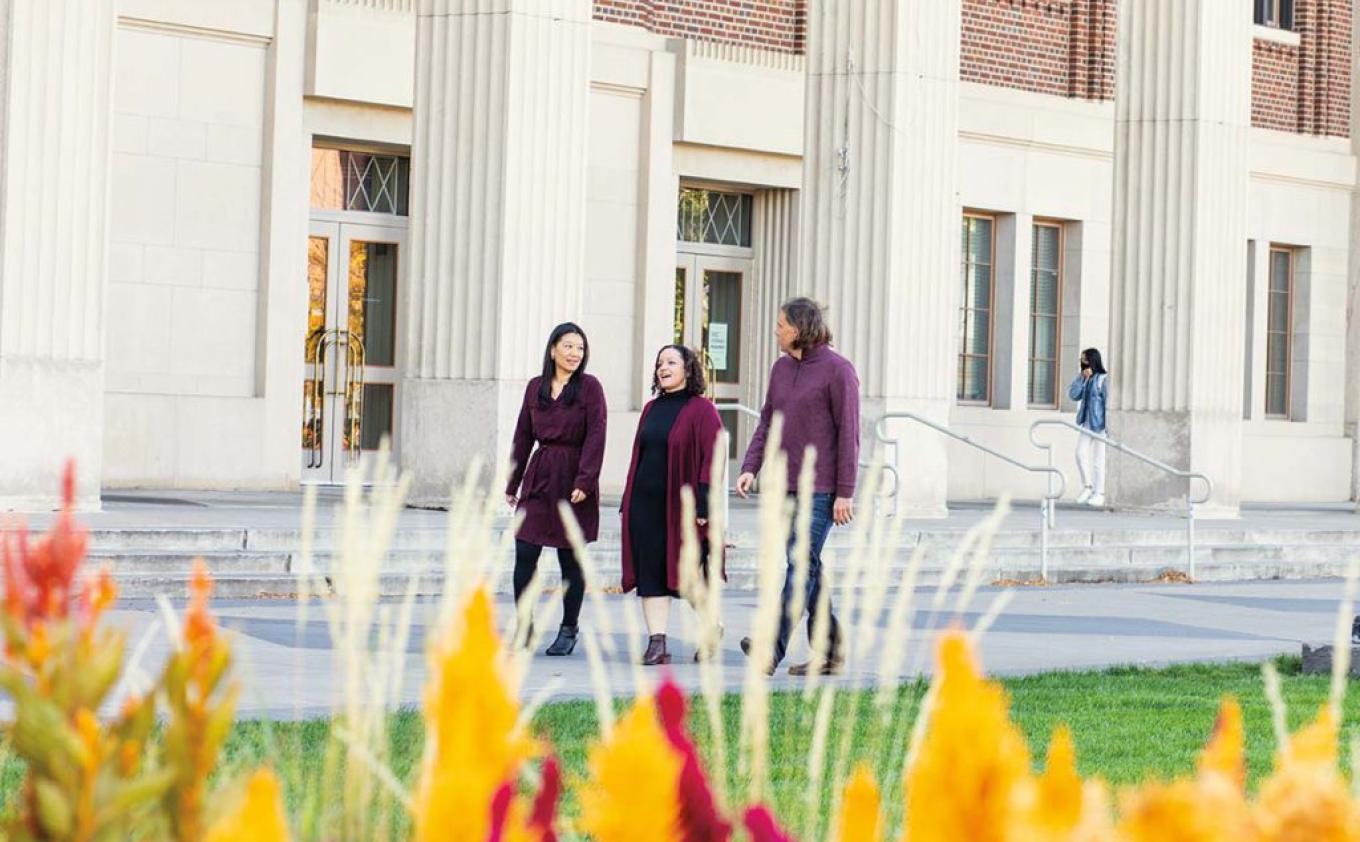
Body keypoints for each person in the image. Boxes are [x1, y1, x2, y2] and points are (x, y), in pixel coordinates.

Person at [737, 297, 859, 676]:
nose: (776, 330)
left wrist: (845, 491)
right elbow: (767, 422)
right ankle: (831, 652)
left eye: (781, 324)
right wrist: (750, 466)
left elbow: (849, 434)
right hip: (784, 485)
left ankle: (770, 647)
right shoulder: (780, 369)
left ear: (799, 328)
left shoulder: (838, 371)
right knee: (810, 568)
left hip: (820, 489)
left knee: (800, 564)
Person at [619, 344, 724, 666]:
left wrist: (705, 506)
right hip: (645, 506)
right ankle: (657, 642)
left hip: (682, 509)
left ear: (688, 369)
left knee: (687, 574)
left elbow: (713, 457)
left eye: (671, 362)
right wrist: (628, 501)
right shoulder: (651, 409)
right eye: (659, 362)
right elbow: (641, 456)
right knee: (650, 574)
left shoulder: (702, 409)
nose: (663, 367)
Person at [506, 322, 607, 656]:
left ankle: (569, 628)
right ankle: (524, 624)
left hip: (573, 478)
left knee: (570, 559)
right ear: (553, 349)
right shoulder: (535, 387)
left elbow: (596, 435)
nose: (575, 353)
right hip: (540, 475)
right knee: (524, 553)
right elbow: (522, 434)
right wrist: (513, 480)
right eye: (568, 346)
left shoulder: (590, 388)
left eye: (580, 348)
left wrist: (586, 480)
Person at [1067, 347, 1109, 508]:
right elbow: (1073, 395)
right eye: (1082, 360)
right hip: (1086, 422)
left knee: (1099, 460)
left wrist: (1108, 427)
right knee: (1080, 453)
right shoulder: (1084, 378)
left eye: (1085, 359)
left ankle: (1100, 493)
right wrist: (1082, 379)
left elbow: (1107, 403)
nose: (1083, 362)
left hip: (1100, 425)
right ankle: (1088, 486)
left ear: (1093, 360)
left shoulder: (1103, 379)